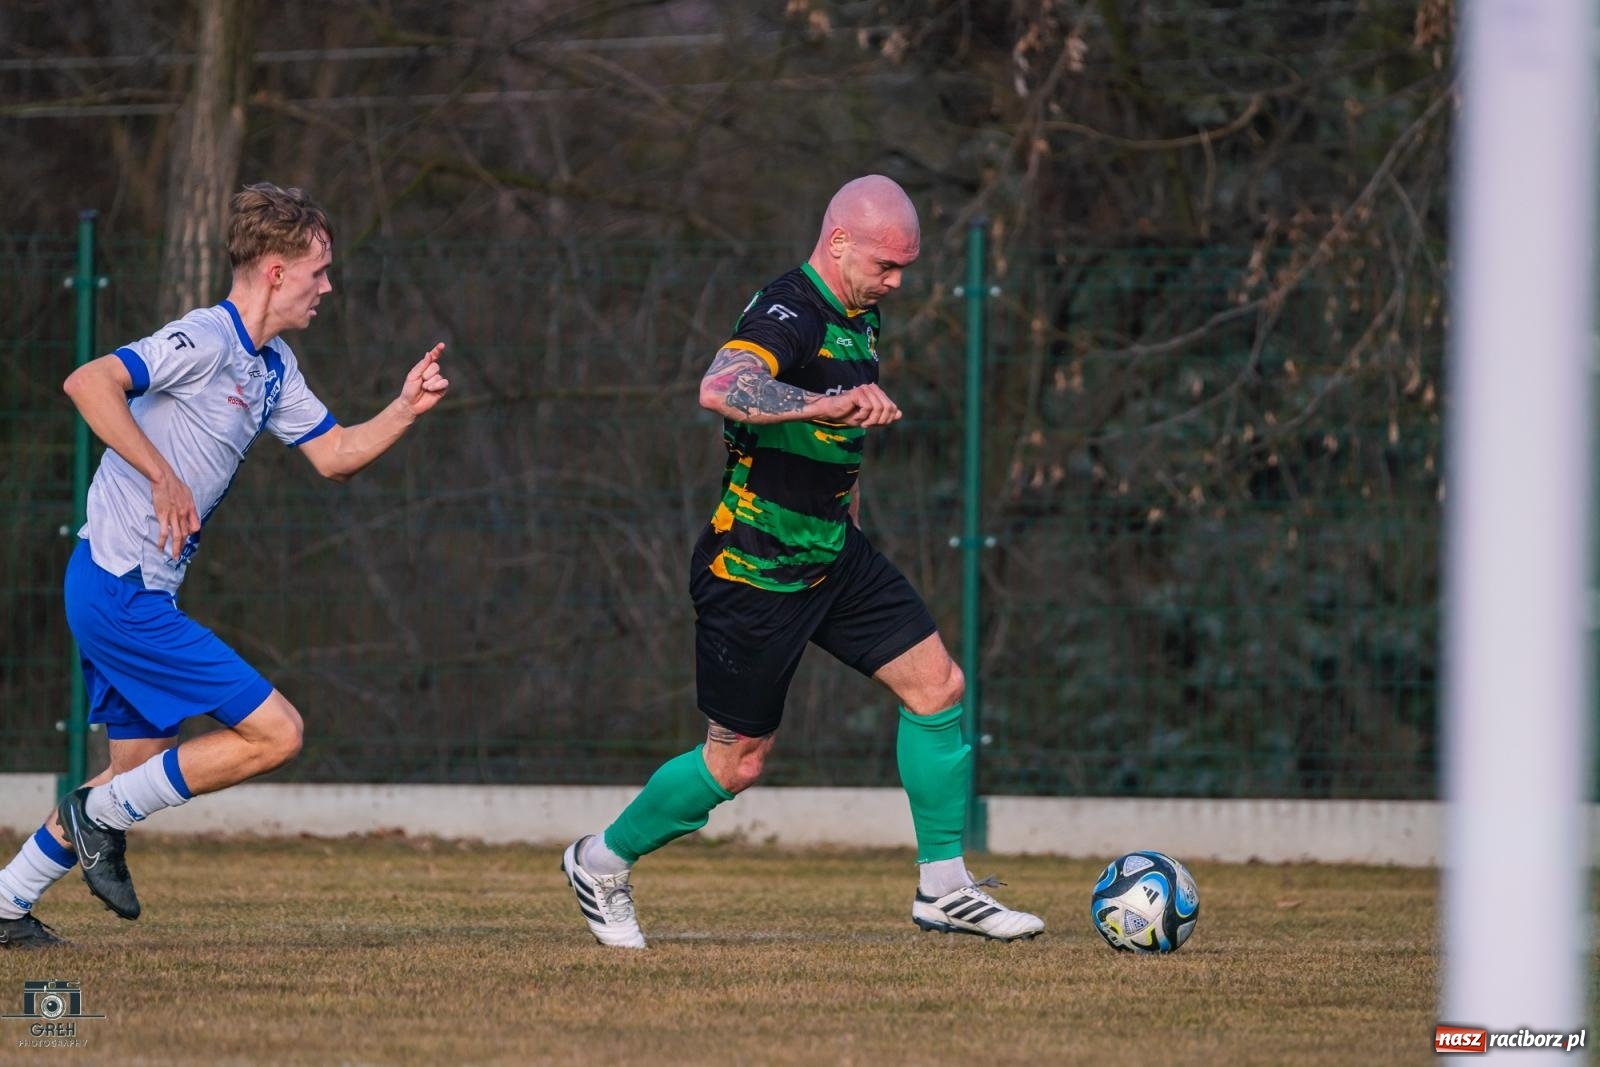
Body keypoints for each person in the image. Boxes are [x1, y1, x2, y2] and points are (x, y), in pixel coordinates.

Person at [560, 175, 1044, 948]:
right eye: (887, 264)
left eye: (904, 269)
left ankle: (944, 886)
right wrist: (819, 402)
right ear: (839, 241)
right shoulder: (788, 308)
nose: (897, 281)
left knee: (938, 686)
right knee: (736, 764)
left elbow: (839, 445)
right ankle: (600, 860)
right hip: (753, 567)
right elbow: (721, 384)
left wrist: (848, 510)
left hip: (835, 554)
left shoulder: (862, 315)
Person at [0, 183, 450, 948]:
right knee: (276, 733)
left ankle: (7, 903)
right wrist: (160, 473)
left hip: (135, 592)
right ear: (275, 270)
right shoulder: (204, 338)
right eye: (318, 271)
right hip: (117, 588)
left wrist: (403, 408)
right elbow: (89, 382)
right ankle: (91, 821)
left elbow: (334, 456)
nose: (328, 287)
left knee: (128, 775)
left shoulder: (273, 366)